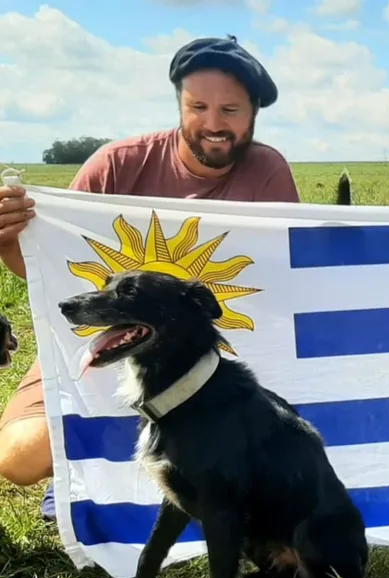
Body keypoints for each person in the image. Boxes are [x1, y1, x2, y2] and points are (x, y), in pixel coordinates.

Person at [0, 35, 301, 520]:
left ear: (253, 114)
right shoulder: (116, 163)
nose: (213, 124)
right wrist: (11, 243)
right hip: (106, 344)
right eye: (198, 106)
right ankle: (82, 469)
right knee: (18, 457)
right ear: (179, 104)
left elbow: (283, 281)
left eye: (230, 110)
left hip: (204, 353)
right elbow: (60, 278)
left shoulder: (267, 171)